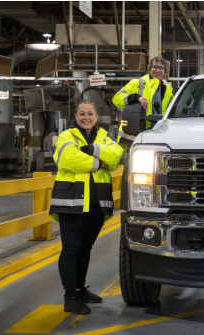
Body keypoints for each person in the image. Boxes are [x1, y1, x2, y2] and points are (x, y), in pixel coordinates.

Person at [49, 101, 123, 314]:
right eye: (82, 114)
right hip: (71, 202)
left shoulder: (103, 137)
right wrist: (98, 162)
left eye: (90, 114)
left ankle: (80, 290)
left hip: (97, 203)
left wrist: (91, 149)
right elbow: (66, 158)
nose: (86, 117)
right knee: (71, 249)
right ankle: (70, 296)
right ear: (76, 115)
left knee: (85, 249)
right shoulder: (67, 136)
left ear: (96, 117)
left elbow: (116, 155)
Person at [112, 56, 174, 148]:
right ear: (149, 69)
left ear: (165, 72)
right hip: (137, 135)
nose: (157, 70)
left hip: (159, 134)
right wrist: (135, 97)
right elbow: (116, 99)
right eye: (155, 67)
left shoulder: (168, 90)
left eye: (161, 68)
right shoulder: (137, 83)